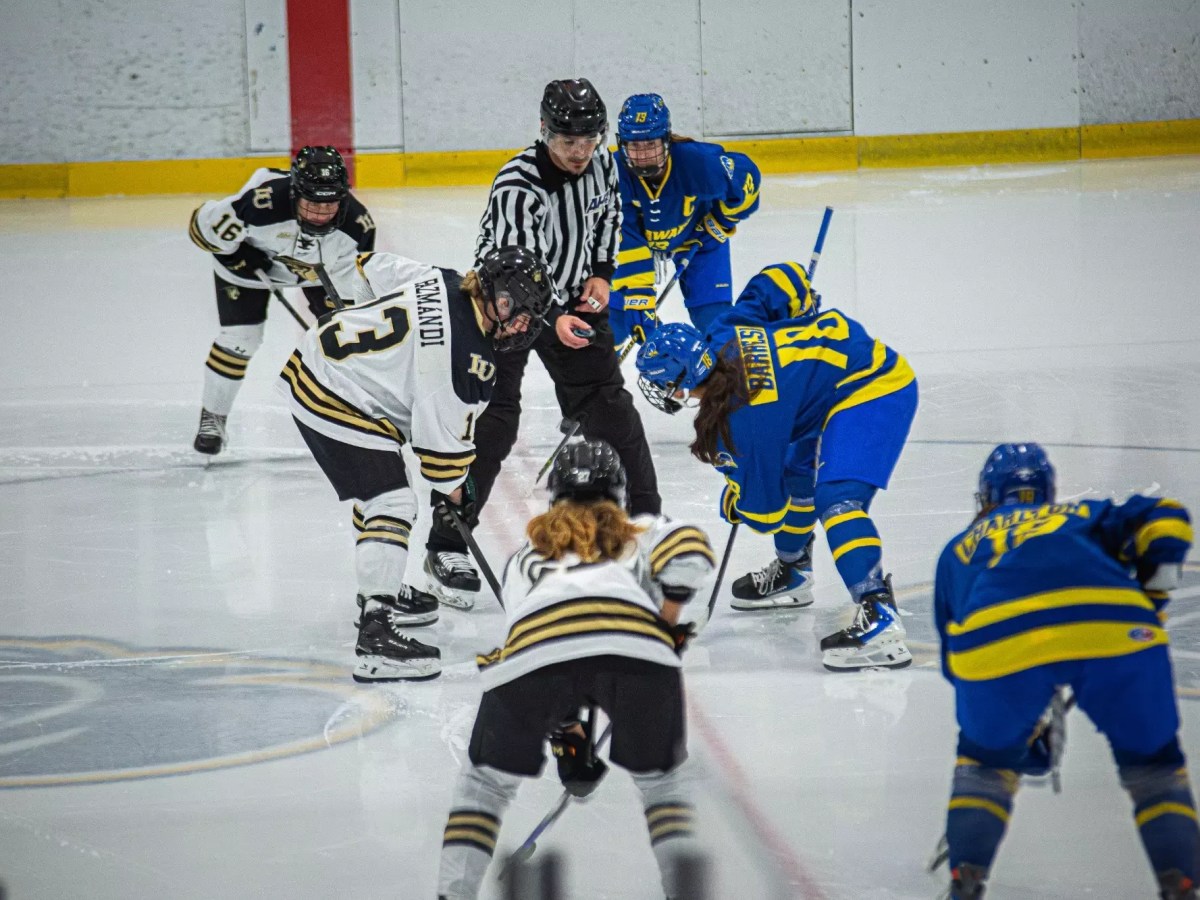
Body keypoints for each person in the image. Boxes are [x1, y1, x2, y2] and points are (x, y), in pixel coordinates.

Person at [435, 439, 714, 899]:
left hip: (533, 658)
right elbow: (690, 551)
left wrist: (567, 732)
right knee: (663, 787)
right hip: (637, 655)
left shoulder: (524, 558)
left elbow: (540, 650)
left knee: (483, 788)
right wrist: (666, 620)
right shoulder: (638, 530)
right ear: (620, 494)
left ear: (555, 497)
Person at [426, 77, 663, 607]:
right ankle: (446, 543)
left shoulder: (601, 164)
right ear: (543, 131)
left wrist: (601, 273)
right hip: (505, 308)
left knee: (610, 408)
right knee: (495, 421)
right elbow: (517, 273)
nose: (580, 153)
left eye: (589, 141)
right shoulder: (518, 183)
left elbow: (608, 218)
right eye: (567, 142)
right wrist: (551, 317)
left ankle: (648, 522)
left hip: (572, 296)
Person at [934, 443, 1198, 900]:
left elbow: (960, 665)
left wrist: (1012, 736)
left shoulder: (960, 548)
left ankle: (966, 882)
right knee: (1155, 768)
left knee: (983, 766)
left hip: (997, 639)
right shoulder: (1085, 514)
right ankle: (1182, 886)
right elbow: (1169, 518)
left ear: (987, 496)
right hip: (1115, 624)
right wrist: (1152, 597)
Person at [279, 246, 553, 682]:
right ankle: (376, 635)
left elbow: (365, 268)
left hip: (324, 368)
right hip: (337, 394)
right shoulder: (468, 363)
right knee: (392, 501)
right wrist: (462, 499)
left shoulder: (441, 276)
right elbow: (441, 465)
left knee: (379, 494)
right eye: (517, 310)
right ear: (497, 295)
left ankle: (379, 592)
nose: (522, 324)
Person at [635, 261, 918, 671]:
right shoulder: (721, 334)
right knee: (793, 469)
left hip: (874, 385)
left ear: (678, 384)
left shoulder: (744, 420)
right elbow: (770, 284)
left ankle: (879, 616)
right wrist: (800, 293)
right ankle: (794, 573)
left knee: (837, 499)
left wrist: (737, 494)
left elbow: (766, 513)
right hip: (835, 378)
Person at [188, 145, 375, 455]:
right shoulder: (260, 203)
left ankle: (350, 414)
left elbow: (350, 297)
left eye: (329, 206)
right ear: (293, 193)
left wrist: (344, 326)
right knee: (240, 339)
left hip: (317, 272)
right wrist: (235, 256)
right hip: (248, 270)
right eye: (311, 204)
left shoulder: (356, 227)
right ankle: (213, 417)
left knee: (344, 337)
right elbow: (201, 225)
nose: (319, 215)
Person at [609, 93, 761, 345]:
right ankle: (596, 384)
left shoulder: (699, 163)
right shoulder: (612, 173)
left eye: (650, 145)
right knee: (614, 325)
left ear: (667, 140)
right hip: (637, 247)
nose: (643, 155)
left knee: (714, 321)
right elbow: (624, 234)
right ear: (622, 143)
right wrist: (638, 295)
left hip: (699, 240)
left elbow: (748, 180)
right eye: (634, 146)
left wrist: (721, 221)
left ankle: (733, 380)